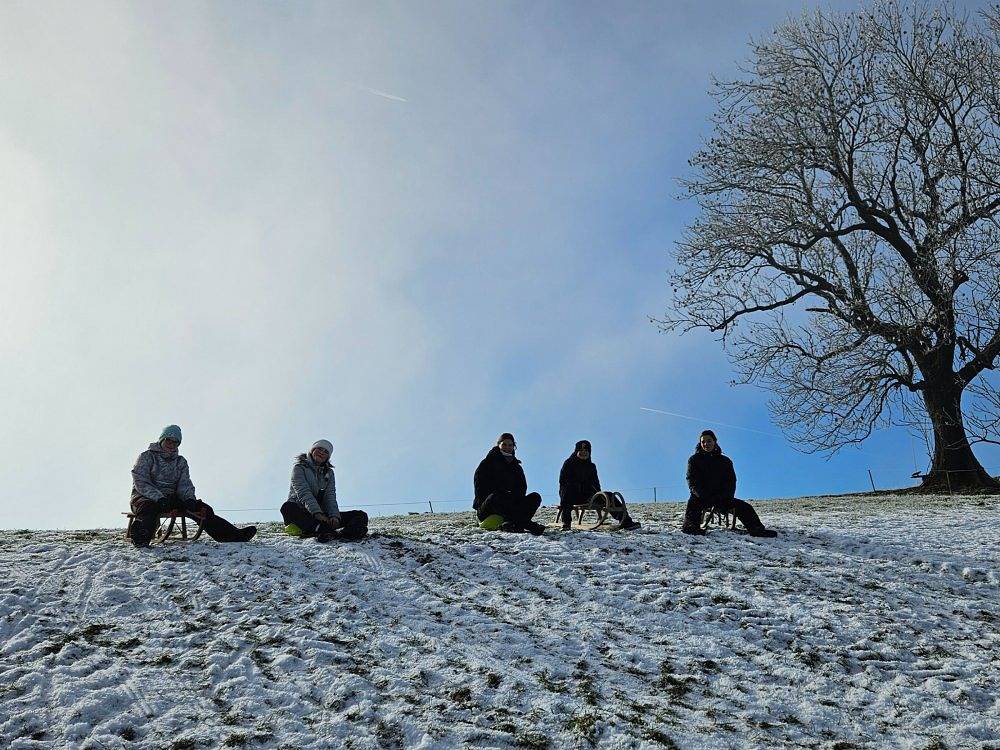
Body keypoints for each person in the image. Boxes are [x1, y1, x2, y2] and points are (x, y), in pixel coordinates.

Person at [129, 425, 257, 547]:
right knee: (148, 508)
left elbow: (184, 483)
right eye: (169, 440)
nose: (171, 444)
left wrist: (189, 498)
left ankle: (233, 535)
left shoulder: (180, 462)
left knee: (202, 508)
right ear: (162, 439)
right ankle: (141, 536)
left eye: (175, 442)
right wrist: (159, 498)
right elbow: (141, 481)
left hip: (170, 498)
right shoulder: (147, 456)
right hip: (145, 497)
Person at [681, 429, 777, 538]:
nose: (706, 444)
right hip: (701, 496)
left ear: (715, 441)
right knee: (692, 504)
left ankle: (757, 530)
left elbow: (731, 482)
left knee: (745, 507)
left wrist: (724, 496)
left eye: (709, 441)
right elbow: (691, 480)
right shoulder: (694, 460)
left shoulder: (725, 461)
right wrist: (701, 494)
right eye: (703, 442)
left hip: (722, 497)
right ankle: (691, 529)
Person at [280, 439, 369, 542]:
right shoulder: (299, 467)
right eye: (319, 449)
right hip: (302, 513)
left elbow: (330, 496)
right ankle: (322, 530)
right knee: (287, 507)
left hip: (322, 517)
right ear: (312, 450)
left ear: (328, 457)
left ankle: (344, 534)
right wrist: (317, 513)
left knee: (360, 515)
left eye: (326, 452)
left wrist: (334, 516)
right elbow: (303, 492)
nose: (322, 452)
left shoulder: (329, 473)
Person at [558, 440, 640, 531]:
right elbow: (563, 480)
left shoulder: (591, 466)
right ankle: (566, 522)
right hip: (572, 494)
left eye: (586, 451)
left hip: (587, 495)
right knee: (568, 490)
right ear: (576, 451)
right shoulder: (569, 463)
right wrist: (577, 485)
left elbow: (595, 483)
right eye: (581, 451)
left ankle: (626, 521)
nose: (583, 453)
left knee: (609, 495)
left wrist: (599, 494)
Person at [473, 433, 545, 535]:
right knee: (497, 496)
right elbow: (480, 487)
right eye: (504, 444)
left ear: (514, 446)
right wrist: (503, 492)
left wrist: (513, 497)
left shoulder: (516, 467)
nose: (507, 447)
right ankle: (528, 525)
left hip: (509, 504)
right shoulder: (487, 463)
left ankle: (512, 524)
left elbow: (522, 488)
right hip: (488, 506)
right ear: (498, 445)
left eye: (510, 445)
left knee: (535, 497)